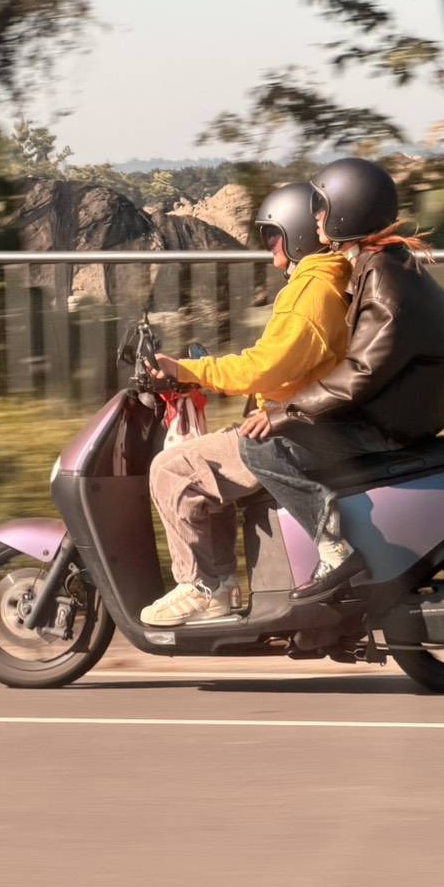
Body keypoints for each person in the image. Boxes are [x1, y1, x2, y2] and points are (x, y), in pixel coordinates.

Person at [237, 157, 444, 601]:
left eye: (322, 208)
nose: (317, 218)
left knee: (258, 444)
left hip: (388, 423)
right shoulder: (385, 264)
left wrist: (287, 410)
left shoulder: (381, 278)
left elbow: (361, 372)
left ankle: (333, 548)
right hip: (402, 409)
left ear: (347, 212)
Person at [139, 183, 352, 627]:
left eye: (273, 235)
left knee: (171, 469)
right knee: (202, 466)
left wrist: (191, 371)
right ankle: (217, 589)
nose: (269, 246)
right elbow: (280, 365)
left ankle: (203, 587)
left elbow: (266, 369)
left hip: (291, 430)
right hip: (297, 421)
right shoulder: (322, 283)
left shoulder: (311, 292)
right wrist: (200, 371)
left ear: (297, 235)